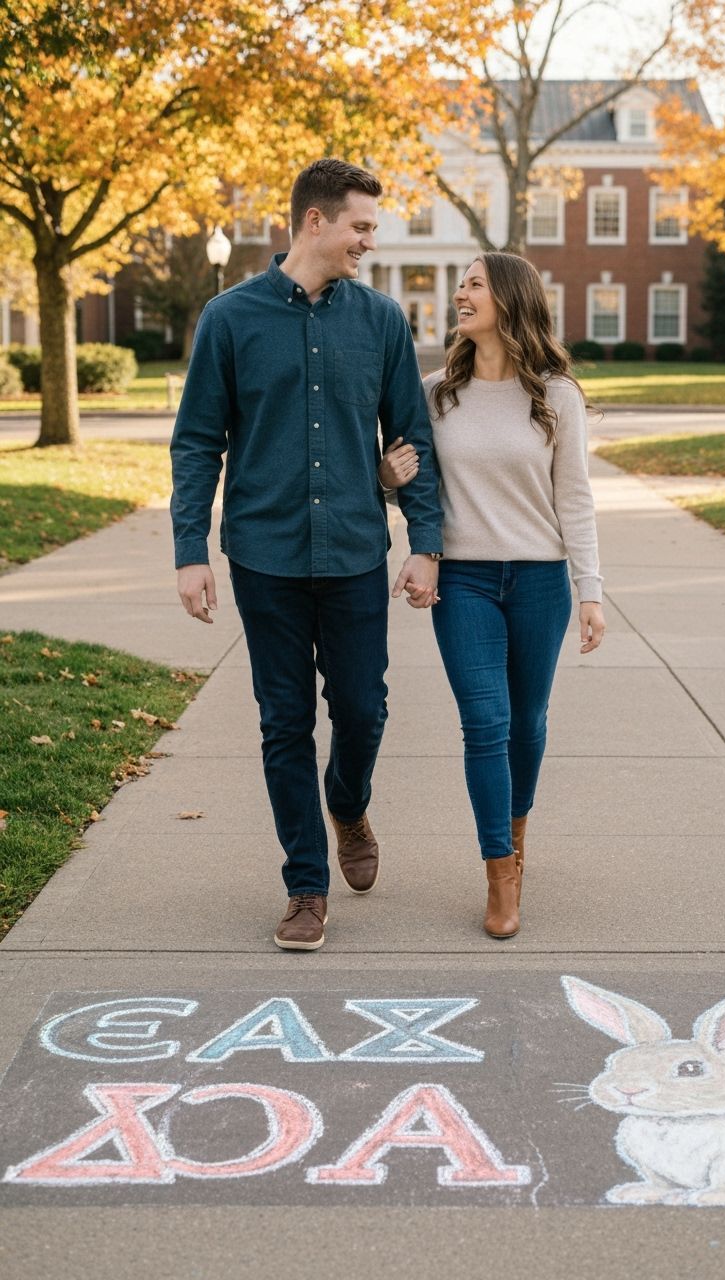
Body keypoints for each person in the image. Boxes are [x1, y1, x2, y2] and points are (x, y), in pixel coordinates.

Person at [170, 158, 443, 952]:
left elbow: (410, 441)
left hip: (356, 549)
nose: (369, 240)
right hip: (266, 554)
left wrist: (424, 542)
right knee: (283, 720)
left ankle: (347, 800)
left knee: (363, 709)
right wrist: (192, 550)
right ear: (315, 222)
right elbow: (197, 443)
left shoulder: (382, 321)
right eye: (360, 226)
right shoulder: (229, 318)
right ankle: (305, 885)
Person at [379, 252, 605, 940]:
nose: (460, 294)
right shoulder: (433, 391)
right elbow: (410, 487)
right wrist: (386, 478)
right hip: (466, 580)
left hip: (539, 579)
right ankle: (500, 873)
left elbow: (575, 497)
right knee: (486, 721)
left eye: (475, 283)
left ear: (509, 298)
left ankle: (516, 834)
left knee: (527, 723)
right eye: (463, 283)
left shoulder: (556, 394)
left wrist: (589, 590)